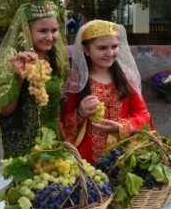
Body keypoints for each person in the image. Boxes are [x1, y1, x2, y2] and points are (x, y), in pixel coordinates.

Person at [0, 1, 69, 158]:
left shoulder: (57, 57)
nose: (50, 37)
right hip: (24, 146)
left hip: (53, 141)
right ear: (26, 31)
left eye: (54, 30)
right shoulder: (12, 59)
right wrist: (19, 78)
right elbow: (5, 110)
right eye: (42, 31)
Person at [60, 20, 152, 165]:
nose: (110, 53)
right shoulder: (76, 81)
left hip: (124, 156)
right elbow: (63, 121)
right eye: (102, 48)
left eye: (114, 46)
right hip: (86, 160)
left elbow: (143, 115)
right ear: (86, 50)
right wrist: (80, 114)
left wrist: (120, 126)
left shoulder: (126, 77)